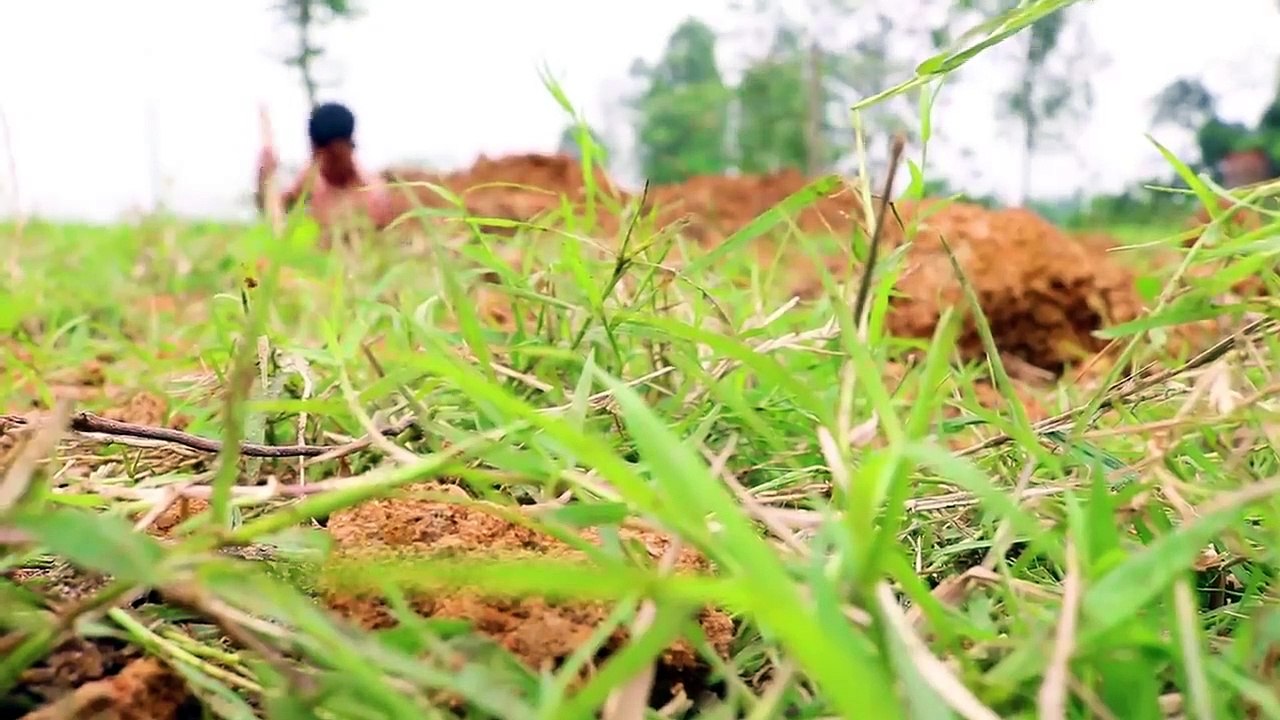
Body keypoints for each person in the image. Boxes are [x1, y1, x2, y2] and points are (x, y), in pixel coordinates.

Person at [255, 101, 398, 232]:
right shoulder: (310, 178)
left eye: (334, 157)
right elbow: (273, 211)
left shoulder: (373, 194)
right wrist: (264, 177)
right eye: (319, 158)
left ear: (351, 147)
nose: (326, 165)